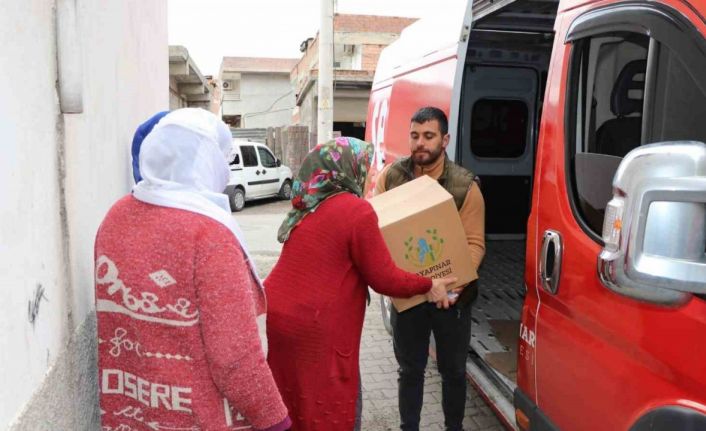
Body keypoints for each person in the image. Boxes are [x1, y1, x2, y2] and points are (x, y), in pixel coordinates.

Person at [94, 108, 291, 431]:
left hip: (132, 414)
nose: (226, 173)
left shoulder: (115, 218)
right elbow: (234, 358)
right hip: (199, 417)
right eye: (221, 160)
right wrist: (275, 420)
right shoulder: (208, 235)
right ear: (205, 162)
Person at [265, 137, 457, 431]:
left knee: (294, 403)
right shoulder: (355, 210)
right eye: (368, 167)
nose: (371, 176)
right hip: (316, 328)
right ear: (348, 169)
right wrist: (429, 284)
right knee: (332, 403)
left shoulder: (311, 206)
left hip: (281, 322)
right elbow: (385, 277)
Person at [374, 107, 486, 431]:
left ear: (445, 139)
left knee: (452, 371)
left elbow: (475, 244)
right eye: (414, 136)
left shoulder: (466, 187)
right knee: (410, 370)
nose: (420, 143)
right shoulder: (391, 178)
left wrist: (454, 288)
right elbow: (376, 229)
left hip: (450, 298)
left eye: (428, 136)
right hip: (408, 298)